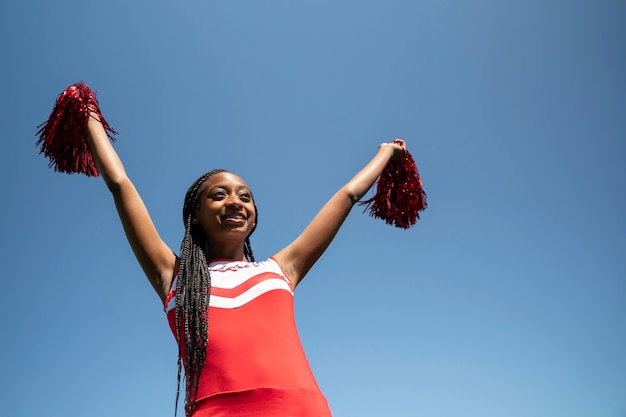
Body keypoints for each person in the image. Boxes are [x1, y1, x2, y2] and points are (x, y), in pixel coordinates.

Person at [85, 110, 409, 417]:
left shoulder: (281, 269)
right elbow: (119, 185)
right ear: (194, 215)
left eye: (245, 196)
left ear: (253, 215)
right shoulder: (174, 276)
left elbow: (348, 195)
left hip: (298, 408)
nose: (235, 202)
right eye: (219, 195)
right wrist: (88, 117)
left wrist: (385, 153)